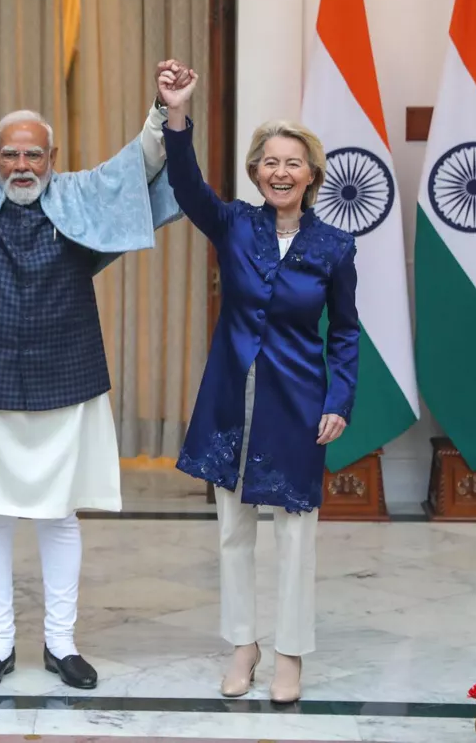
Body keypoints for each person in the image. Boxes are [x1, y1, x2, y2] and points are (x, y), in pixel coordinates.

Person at [0, 41, 181, 691]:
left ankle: (60, 644)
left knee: (58, 514)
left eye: (34, 153)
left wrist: (165, 109)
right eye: (11, 153)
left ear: (53, 158)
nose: (22, 164)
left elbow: (140, 164)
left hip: (65, 376)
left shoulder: (80, 196)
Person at [157, 62, 359, 704]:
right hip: (230, 401)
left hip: (299, 403)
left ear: (311, 175)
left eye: (292, 162)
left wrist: (340, 400)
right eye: (269, 161)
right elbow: (186, 187)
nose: (280, 171)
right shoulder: (235, 225)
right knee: (233, 529)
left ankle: (290, 655)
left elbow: (346, 333)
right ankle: (243, 646)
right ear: (255, 171)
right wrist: (177, 114)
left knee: (296, 534)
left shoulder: (334, 247)